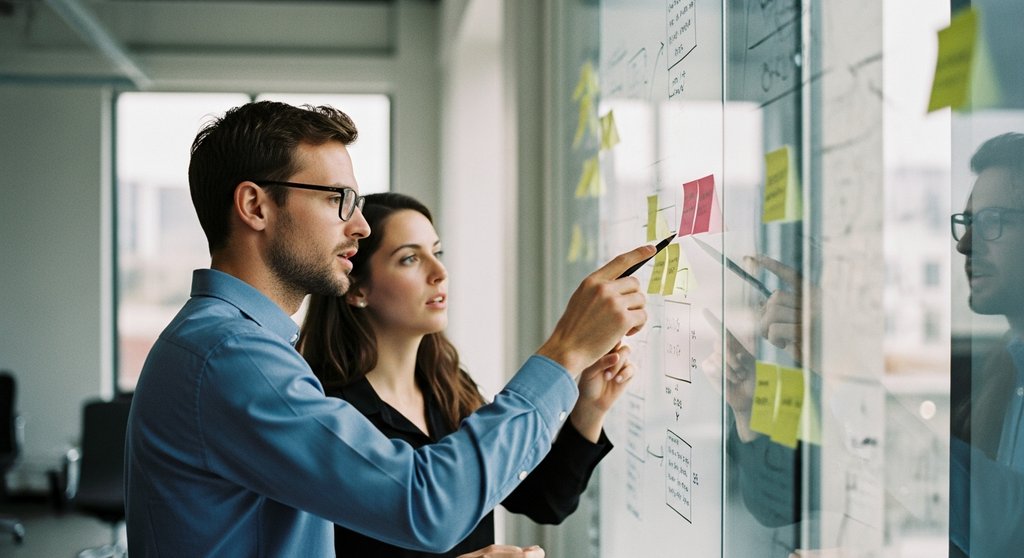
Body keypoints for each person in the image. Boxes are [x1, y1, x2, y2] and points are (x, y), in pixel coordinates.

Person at [124, 100, 653, 557]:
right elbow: (425, 504)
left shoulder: (238, 347)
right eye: (339, 199)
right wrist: (564, 351)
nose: (358, 225)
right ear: (255, 206)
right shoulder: (232, 357)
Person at [297, 192, 634, 557]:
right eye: (410, 258)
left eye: (436, 253)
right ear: (357, 289)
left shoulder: (449, 388)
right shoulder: (329, 412)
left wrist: (590, 408)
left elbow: (542, 500)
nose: (439, 272)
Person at [949, 131, 1024, 558]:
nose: (965, 245)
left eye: (992, 221)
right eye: (967, 222)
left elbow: (1007, 531)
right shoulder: (999, 369)